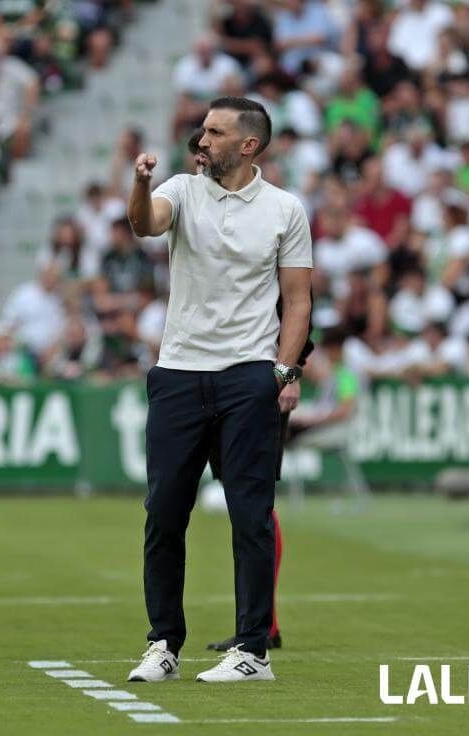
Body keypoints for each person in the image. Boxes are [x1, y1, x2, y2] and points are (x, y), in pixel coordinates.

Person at [125, 97, 312, 683]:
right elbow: (144, 224)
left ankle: (253, 650)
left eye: (215, 131)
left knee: (250, 516)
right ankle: (162, 644)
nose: (201, 139)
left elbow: (299, 300)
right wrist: (141, 183)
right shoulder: (181, 189)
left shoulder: (285, 209)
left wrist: (281, 373)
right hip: (179, 370)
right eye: (203, 129)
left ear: (248, 145)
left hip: (246, 375)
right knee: (163, 514)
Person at [182, 127, 312, 654]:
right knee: (244, 502)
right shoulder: (196, 214)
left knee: (253, 503)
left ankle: (266, 623)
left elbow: (298, 300)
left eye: (208, 146)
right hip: (202, 373)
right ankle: (263, 621)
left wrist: (290, 371)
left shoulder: (273, 213)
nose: (201, 158)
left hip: (257, 374)